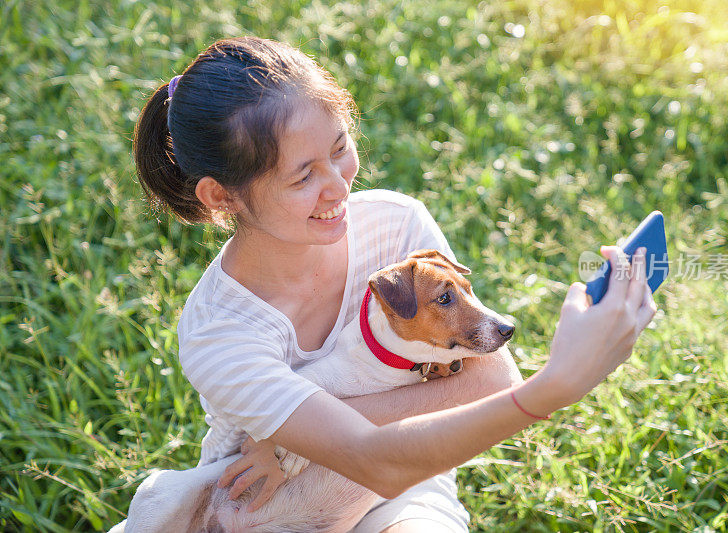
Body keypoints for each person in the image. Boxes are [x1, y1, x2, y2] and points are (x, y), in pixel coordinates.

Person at [132, 36, 656, 532]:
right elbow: (369, 457)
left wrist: (291, 443)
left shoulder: (396, 226)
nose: (338, 187)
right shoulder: (219, 331)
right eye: (302, 177)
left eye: (339, 148)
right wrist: (557, 386)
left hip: (407, 480)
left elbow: (487, 381)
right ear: (222, 196)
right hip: (265, 511)